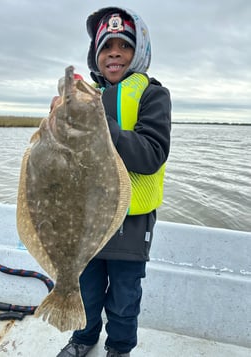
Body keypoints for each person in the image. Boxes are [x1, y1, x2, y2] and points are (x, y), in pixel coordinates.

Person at [57, 6, 171, 357]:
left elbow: (152, 154)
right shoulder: (84, 96)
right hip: (86, 218)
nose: (115, 53)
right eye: (107, 47)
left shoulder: (153, 95)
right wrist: (59, 117)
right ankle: (83, 338)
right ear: (96, 55)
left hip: (131, 223)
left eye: (125, 45)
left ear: (140, 53)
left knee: (124, 297)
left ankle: (119, 347)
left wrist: (104, 125)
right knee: (85, 288)